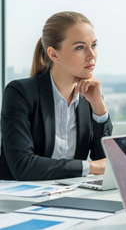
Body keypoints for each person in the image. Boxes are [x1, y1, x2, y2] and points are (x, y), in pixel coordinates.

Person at [0, 11, 113, 181]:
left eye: (94, 45)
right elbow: (23, 166)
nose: (91, 55)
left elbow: (106, 162)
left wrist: (99, 109)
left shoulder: (89, 96)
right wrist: (90, 166)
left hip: (69, 194)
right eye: (80, 47)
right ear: (53, 54)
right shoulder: (20, 93)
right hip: (19, 200)